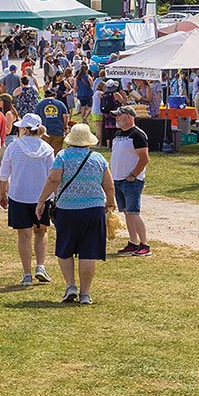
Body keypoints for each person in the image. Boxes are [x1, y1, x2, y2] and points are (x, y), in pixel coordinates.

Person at [35, 123, 116, 305]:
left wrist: (41, 200)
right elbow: (109, 185)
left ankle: (71, 286)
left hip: (68, 209)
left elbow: (54, 179)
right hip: (94, 209)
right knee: (89, 252)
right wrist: (110, 202)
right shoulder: (98, 159)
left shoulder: (62, 156)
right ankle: (85, 294)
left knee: (65, 249)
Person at [0, 113, 55, 286]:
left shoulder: (14, 146)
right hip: (41, 197)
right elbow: (52, 175)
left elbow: (4, 172)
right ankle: (40, 266)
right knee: (41, 231)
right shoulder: (46, 148)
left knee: (23, 235)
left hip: (19, 195)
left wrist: (3, 193)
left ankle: (27, 274)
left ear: (24, 129)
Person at [111, 105, 151, 257]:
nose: (116, 118)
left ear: (128, 117)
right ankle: (133, 242)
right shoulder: (117, 134)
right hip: (119, 179)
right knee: (127, 213)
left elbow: (144, 158)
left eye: (119, 116)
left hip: (131, 180)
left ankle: (144, 244)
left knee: (134, 212)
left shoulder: (137, 135)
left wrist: (133, 175)